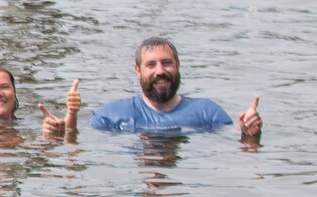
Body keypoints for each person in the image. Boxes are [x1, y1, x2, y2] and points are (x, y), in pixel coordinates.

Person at [88, 38, 262, 142]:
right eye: (151, 65)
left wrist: (249, 133)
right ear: (138, 70)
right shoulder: (110, 116)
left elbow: (235, 143)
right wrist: (65, 128)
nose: (160, 71)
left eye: (167, 63)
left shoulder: (207, 112)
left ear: (178, 66)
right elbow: (82, 146)